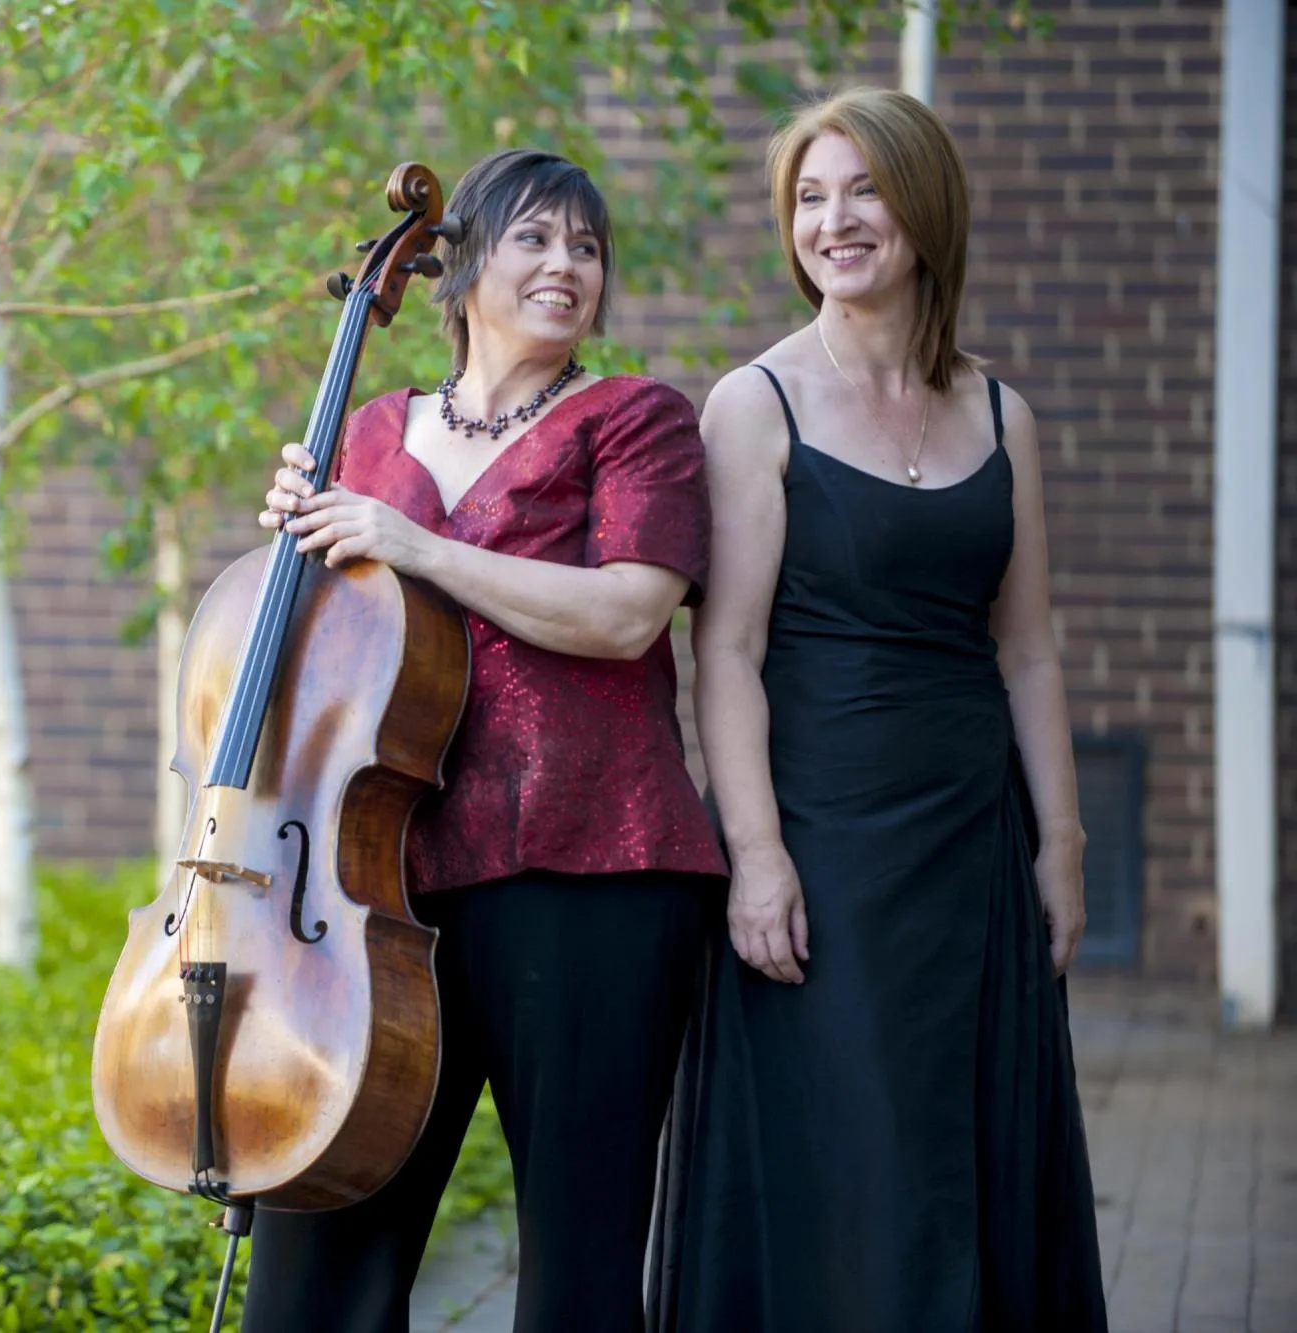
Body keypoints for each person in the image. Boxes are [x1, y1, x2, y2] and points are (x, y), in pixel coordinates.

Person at [649, 88, 1109, 1332]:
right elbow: (725, 651)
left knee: (970, 1154)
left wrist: (1057, 849)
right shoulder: (755, 404)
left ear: (922, 206)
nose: (832, 221)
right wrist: (753, 860)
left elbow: (1026, 650)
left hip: (971, 847)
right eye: (807, 198)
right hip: (821, 847)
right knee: (852, 1163)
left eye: (859, 190)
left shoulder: (1000, 413)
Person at [247, 148, 725, 1332]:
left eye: (587, 246)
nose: (566, 264)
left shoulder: (633, 420)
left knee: (576, 1267)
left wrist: (411, 545)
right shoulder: (366, 432)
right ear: (459, 267)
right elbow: (321, 654)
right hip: (377, 884)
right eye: (535, 238)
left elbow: (624, 614)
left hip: (592, 875)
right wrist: (291, 540)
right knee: (320, 1257)